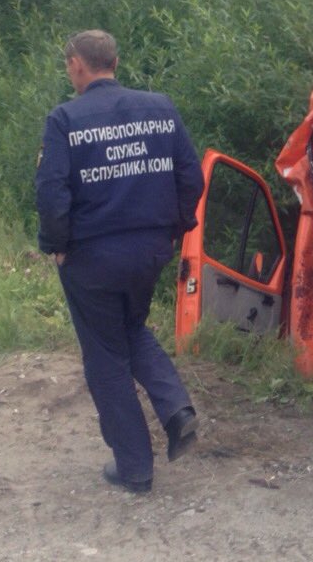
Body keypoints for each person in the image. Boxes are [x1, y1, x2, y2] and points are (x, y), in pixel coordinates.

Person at [35, 30, 205, 493]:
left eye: (68, 64)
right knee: (130, 328)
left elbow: (52, 195)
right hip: (149, 251)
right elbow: (192, 178)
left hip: (92, 257)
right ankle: (176, 410)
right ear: (115, 60)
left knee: (105, 355)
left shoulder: (65, 119)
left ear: (76, 64)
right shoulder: (160, 108)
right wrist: (174, 230)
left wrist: (56, 244)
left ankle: (134, 468)